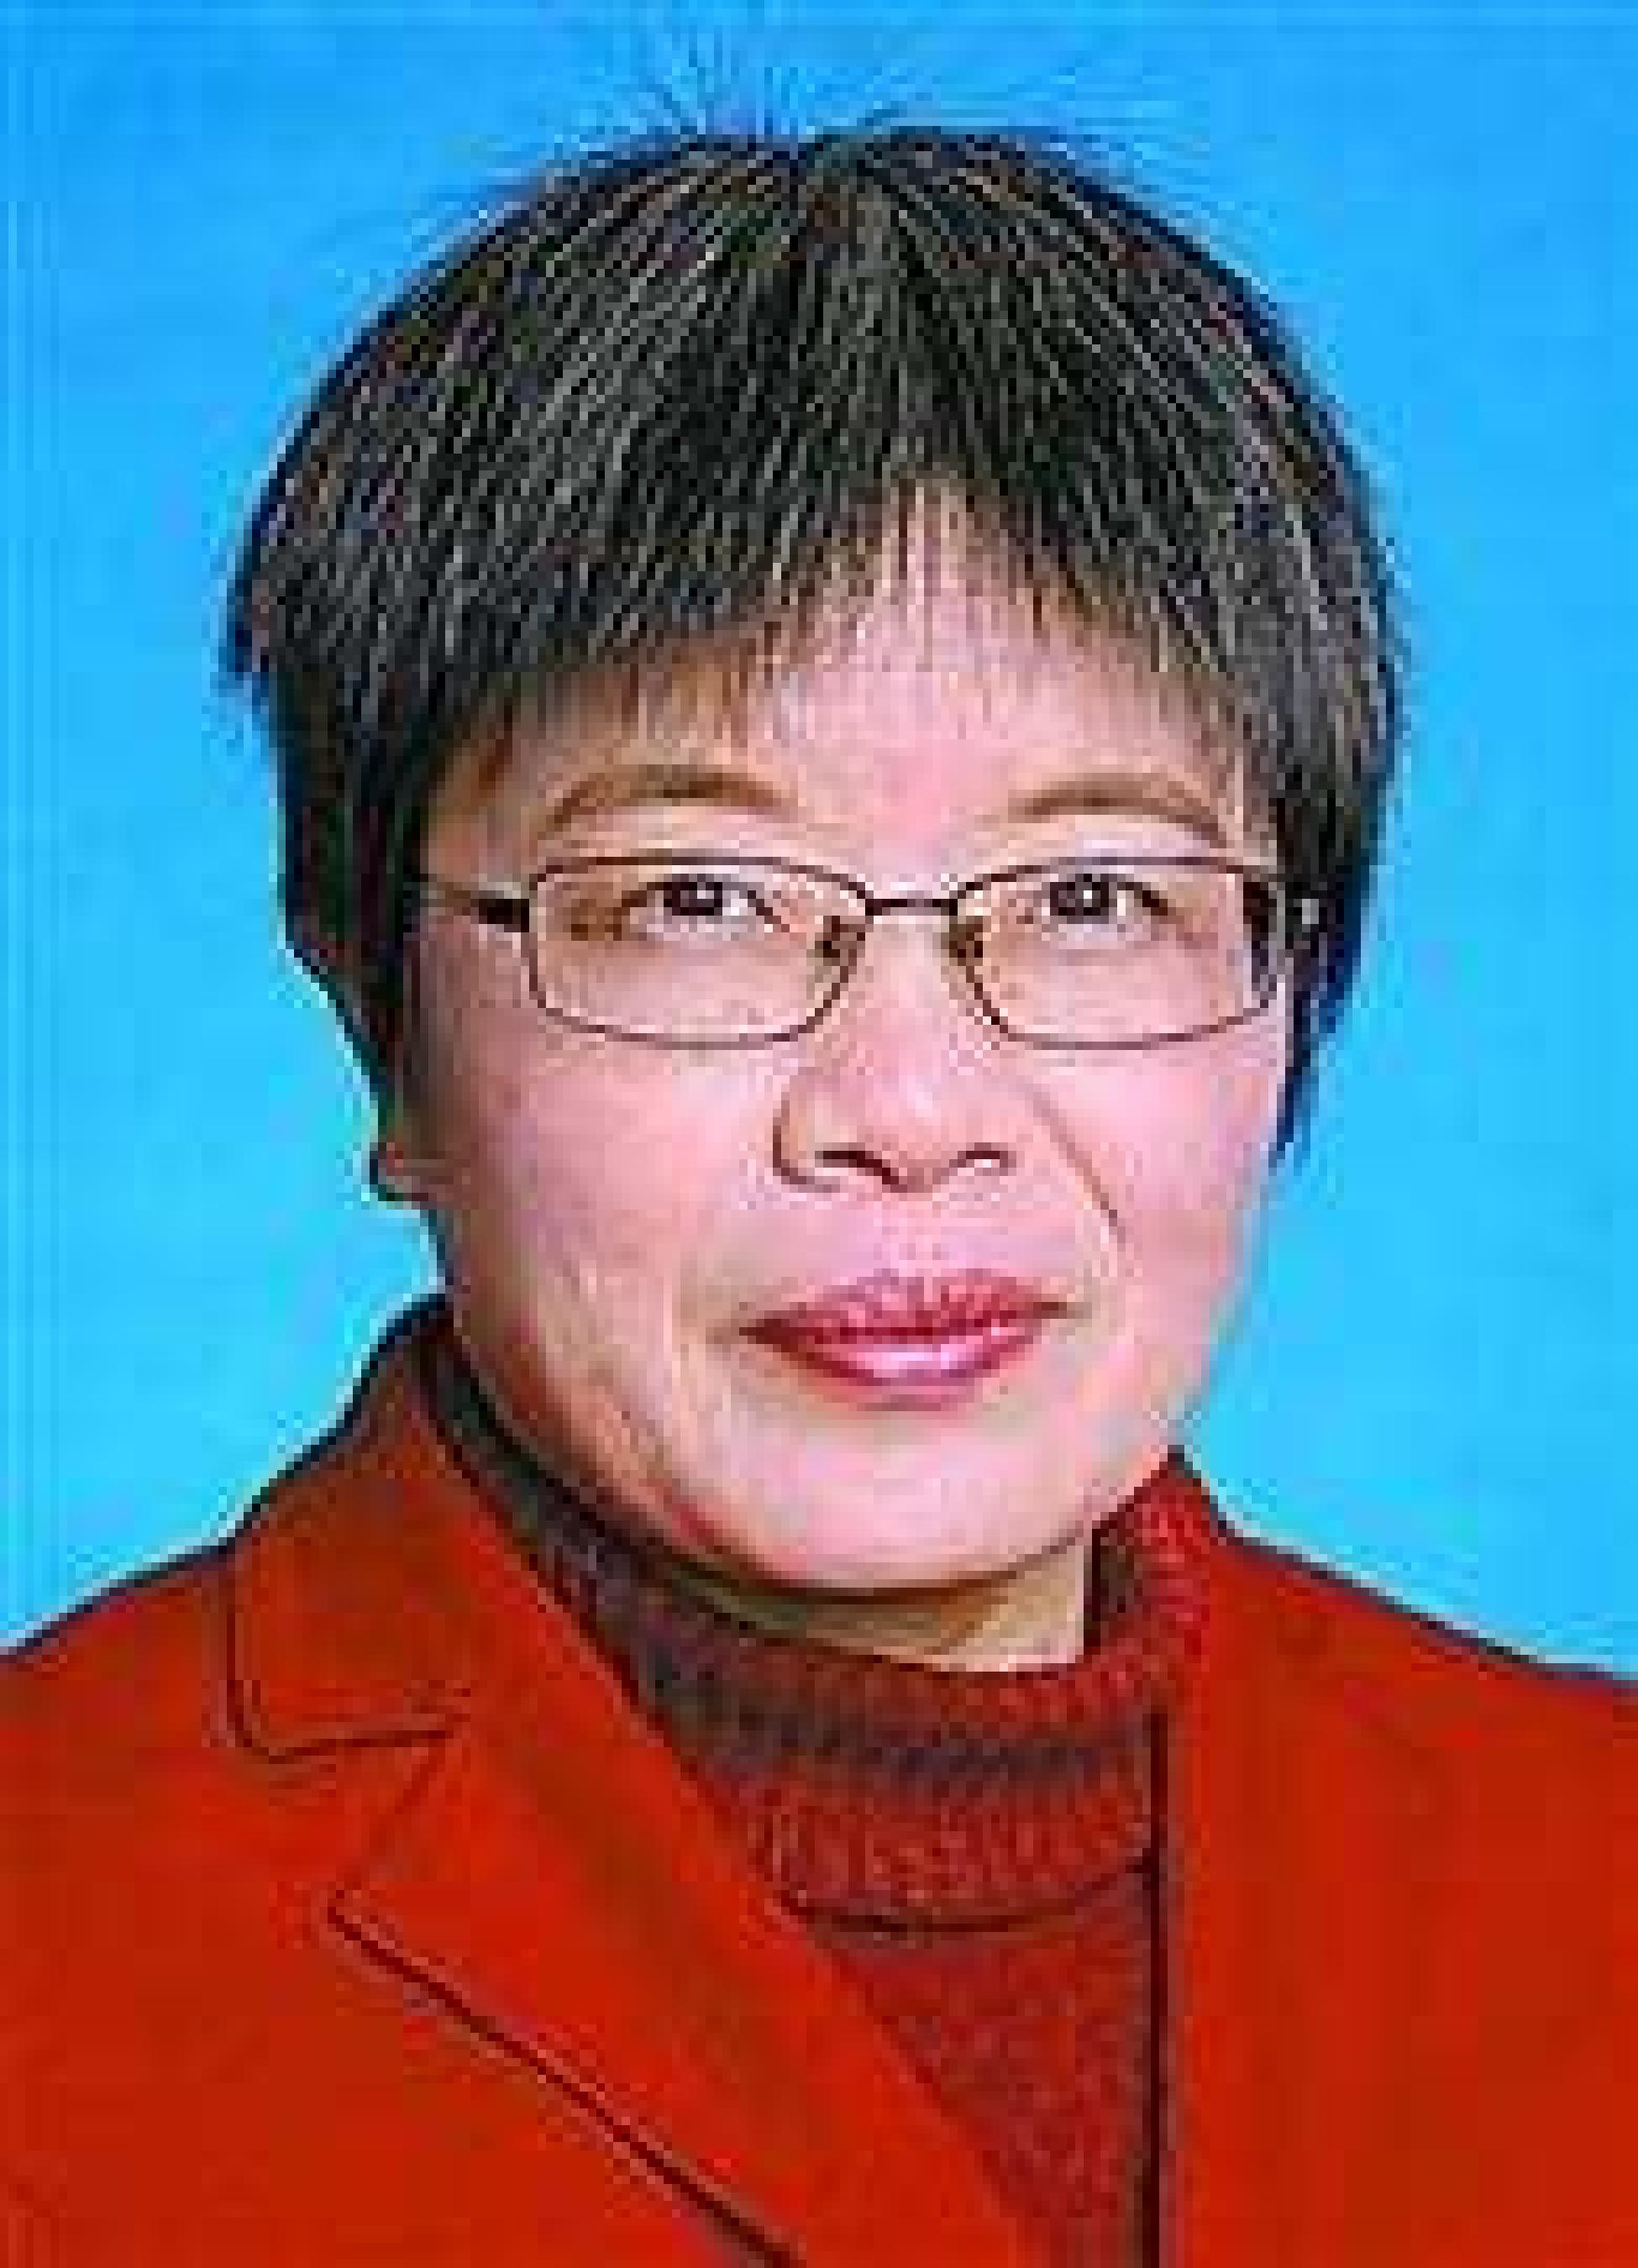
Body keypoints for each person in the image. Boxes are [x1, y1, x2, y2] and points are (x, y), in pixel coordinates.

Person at [3, 122, 1631, 2266]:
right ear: (375, 1019)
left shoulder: (1587, 1853)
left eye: (1092, 895)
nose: (909, 1108)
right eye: (695, 897)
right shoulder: (50, 1930)